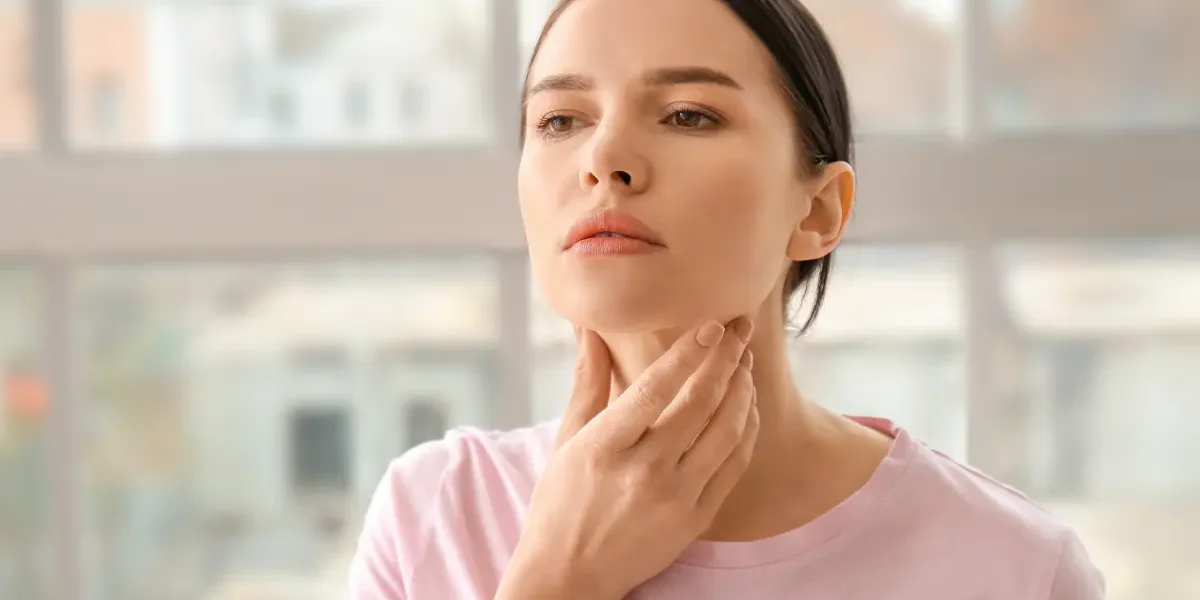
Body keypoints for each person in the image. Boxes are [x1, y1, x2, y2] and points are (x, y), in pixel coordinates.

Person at [348, 0, 1106, 598]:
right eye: (561, 120)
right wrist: (558, 581)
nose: (604, 158)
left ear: (818, 212)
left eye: (688, 115)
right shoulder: (435, 514)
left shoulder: (1013, 571)